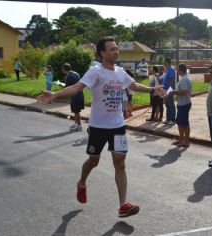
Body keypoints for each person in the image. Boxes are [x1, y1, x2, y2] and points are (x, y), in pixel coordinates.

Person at [36, 36, 166, 217]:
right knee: (93, 161)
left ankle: (123, 205)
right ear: (102, 53)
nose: (116, 51)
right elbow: (76, 88)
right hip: (98, 126)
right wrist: (55, 94)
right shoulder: (95, 72)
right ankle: (81, 183)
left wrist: (153, 89)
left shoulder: (120, 72)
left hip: (118, 126)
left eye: (117, 48)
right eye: (112, 49)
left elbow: (133, 85)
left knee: (120, 163)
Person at [171, 64, 192, 147]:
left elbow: (183, 92)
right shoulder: (184, 78)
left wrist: (174, 92)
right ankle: (181, 139)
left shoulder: (184, 79)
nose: (177, 71)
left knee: (185, 124)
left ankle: (186, 141)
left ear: (180, 70)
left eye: (177, 70)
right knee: (180, 123)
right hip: (181, 103)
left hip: (184, 104)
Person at [62, 63, 85, 132]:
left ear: (64, 69)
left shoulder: (69, 76)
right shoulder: (75, 73)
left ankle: (79, 126)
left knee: (76, 111)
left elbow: (67, 87)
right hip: (80, 94)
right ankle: (76, 124)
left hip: (76, 96)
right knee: (76, 111)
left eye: (62, 68)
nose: (62, 70)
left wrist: (61, 85)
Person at [163, 57, 176, 125]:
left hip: (169, 90)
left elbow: (171, 80)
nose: (163, 63)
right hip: (166, 90)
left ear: (167, 62)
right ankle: (168, 119)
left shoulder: (171, 69)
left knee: (171, 105)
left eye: (164, 62)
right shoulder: (168, 69)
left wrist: (170, 90)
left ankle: (172, 119)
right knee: (167, 105)